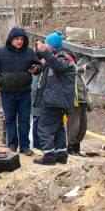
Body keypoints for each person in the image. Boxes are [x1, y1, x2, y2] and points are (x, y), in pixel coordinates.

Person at [0, 26, 40, 155]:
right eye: (16, 39)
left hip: (25, 92)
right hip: (7, 93)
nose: (19, 41)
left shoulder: (29, 52)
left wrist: (36, 69)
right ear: (11, 39)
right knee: (10, 120)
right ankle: (12, 145)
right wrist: (1, 81)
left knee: (24, 120)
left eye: (21, 39)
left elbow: (39, 66)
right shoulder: (0, 53)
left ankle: (25, 147)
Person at [32, 32, 77, 165]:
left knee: (44, 127)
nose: (45, 45)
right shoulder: (57, 57)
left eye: (47, 43)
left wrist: (44, 51)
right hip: (57, 100)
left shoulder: (64, 57)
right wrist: (37, 68)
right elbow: (50, 69)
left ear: (52, 46)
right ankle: (61, 154)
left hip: (55, 100)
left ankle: (49, 156)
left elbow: (58, 66)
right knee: (58, 128)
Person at [67, 62, 91, 155]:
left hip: (83, 103)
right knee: (74, 126)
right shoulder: (72, 73)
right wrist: (83, 67)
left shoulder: (81, 76)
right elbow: (75, 70)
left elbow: (85, 90)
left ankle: (77, 147)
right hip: (75, 103)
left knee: (82, 127)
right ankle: (70, 148)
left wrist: (88, 102)